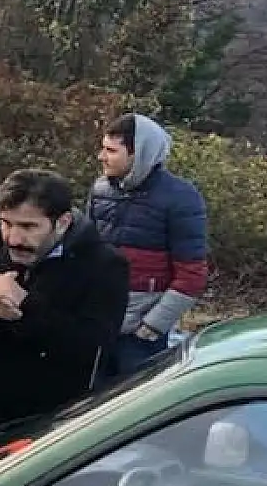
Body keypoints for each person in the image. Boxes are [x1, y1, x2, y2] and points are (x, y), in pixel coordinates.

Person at [0, 169, 129, 427]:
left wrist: (24, 305)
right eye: (7, 223)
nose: (14, 238)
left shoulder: (104, 265)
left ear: (62, 222)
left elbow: (92, 347)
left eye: (29, 227)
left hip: (55, 419)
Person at [89, 112, 210, 377]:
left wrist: (152, 326)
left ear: (138, 154)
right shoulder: (101, 190)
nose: (101, 157)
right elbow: (86, 252)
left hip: (141, 336)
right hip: (98, 324)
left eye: (111, 150)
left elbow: (192, 274)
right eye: (103, 148)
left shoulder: (181, 198)